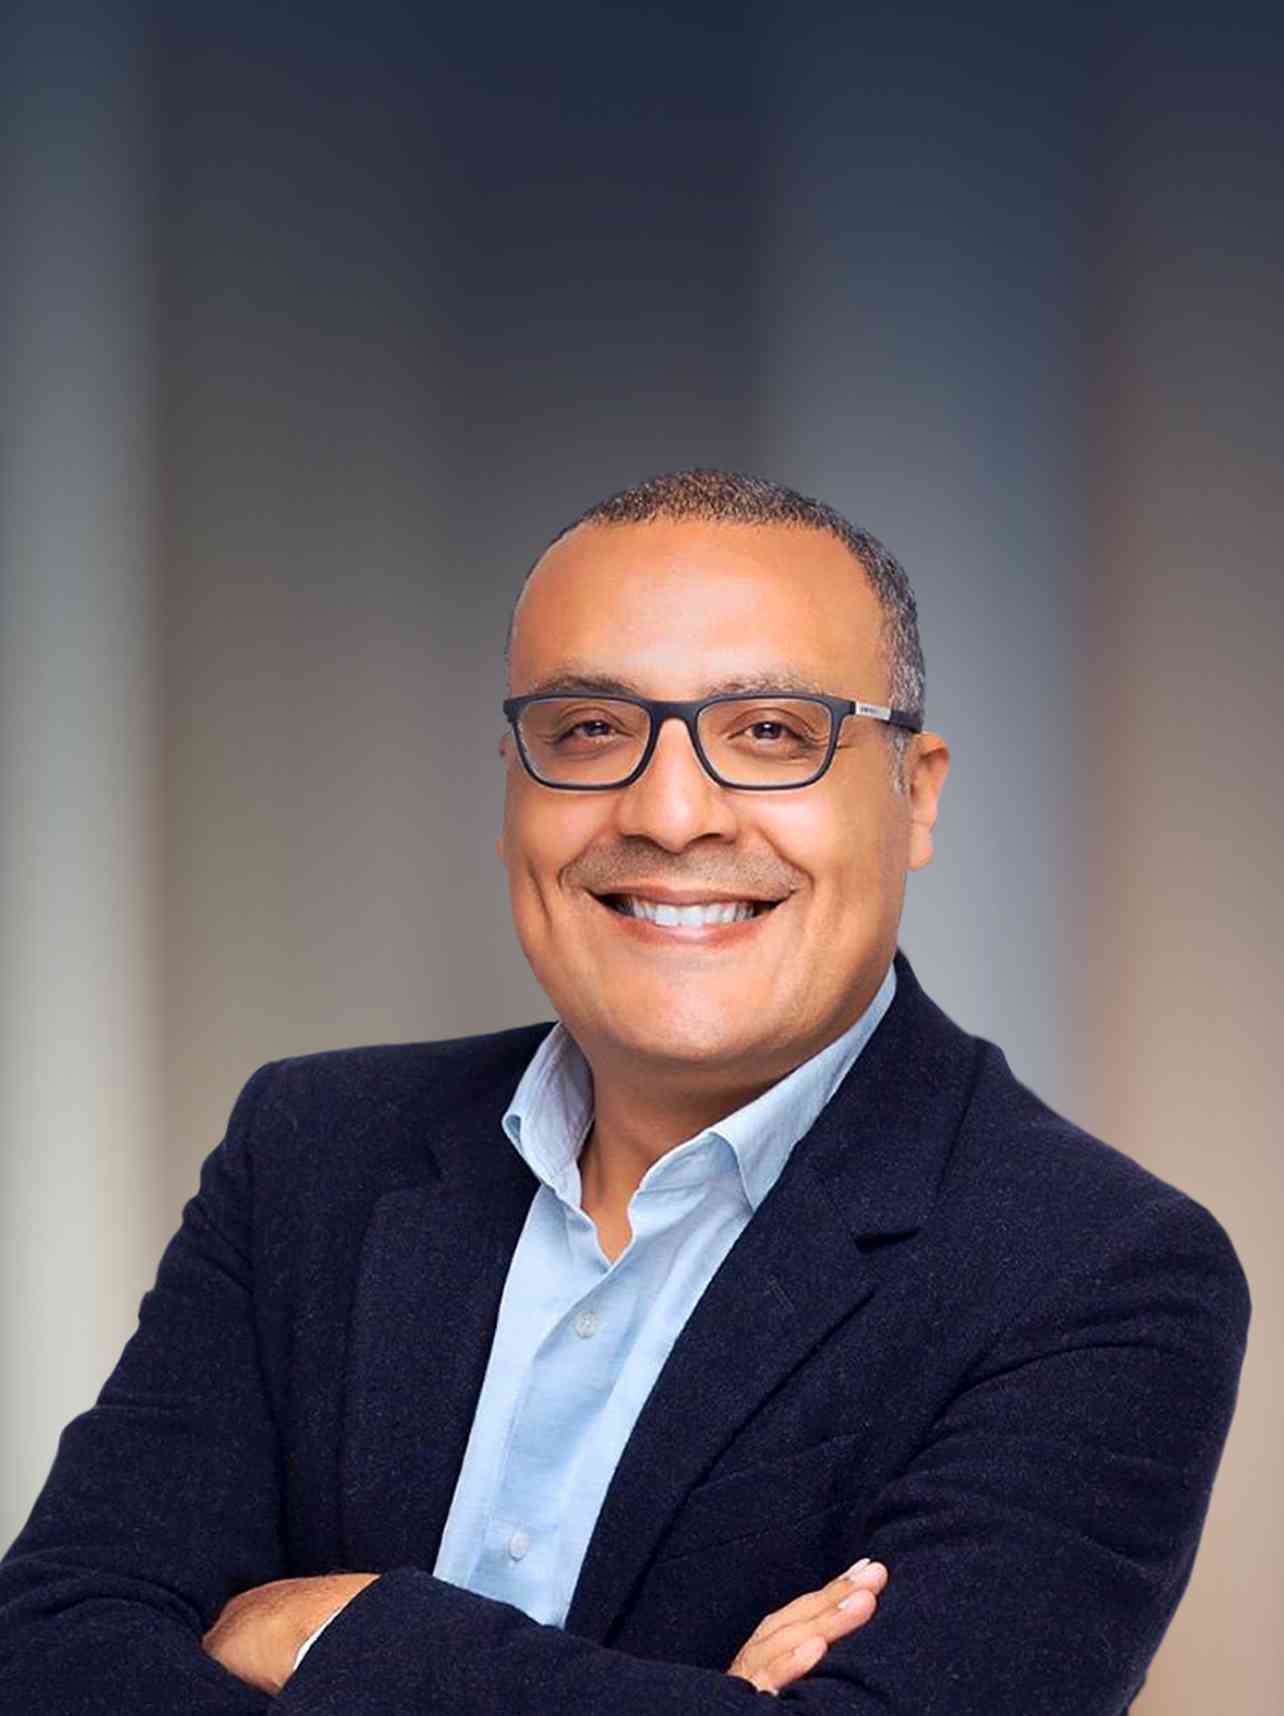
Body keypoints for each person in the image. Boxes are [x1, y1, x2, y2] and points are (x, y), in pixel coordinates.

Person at [0, 469, 1249, 1714]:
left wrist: (340, 1633)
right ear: (512, 784)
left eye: (771, 731)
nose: (671, 813)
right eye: (591, 729)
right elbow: (51, 1645)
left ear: (912, 793)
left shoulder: (1096, 1272)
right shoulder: (313, 1152)